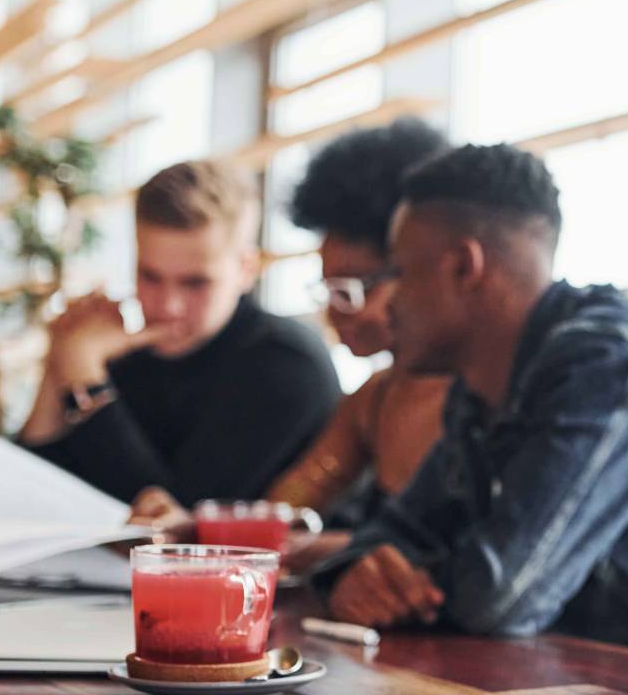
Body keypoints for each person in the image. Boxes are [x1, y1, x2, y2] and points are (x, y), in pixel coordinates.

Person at [313, 143, 628, 663]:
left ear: (464, 266)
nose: (387, 302)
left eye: (400, 273)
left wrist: (406, 581)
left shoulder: (607, 362)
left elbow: (504, 596)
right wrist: (361, 572)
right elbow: (397, 532)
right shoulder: (479, 386)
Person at [127, 120, 453, 565]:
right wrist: (196, 527)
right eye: (328, 288)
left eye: (352, 290)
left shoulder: (485, 399)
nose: (335, 312)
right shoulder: (374, 399)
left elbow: (453, 552)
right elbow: (289, 509)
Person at [19, 160, 341, 505]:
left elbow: (175, 523)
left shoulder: (287, 364)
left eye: (195, 283)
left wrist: (84, 379)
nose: (168, 305)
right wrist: (61, 360)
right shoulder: (121, 355)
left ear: (246, 269)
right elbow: (27, 495)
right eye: (150, 276)